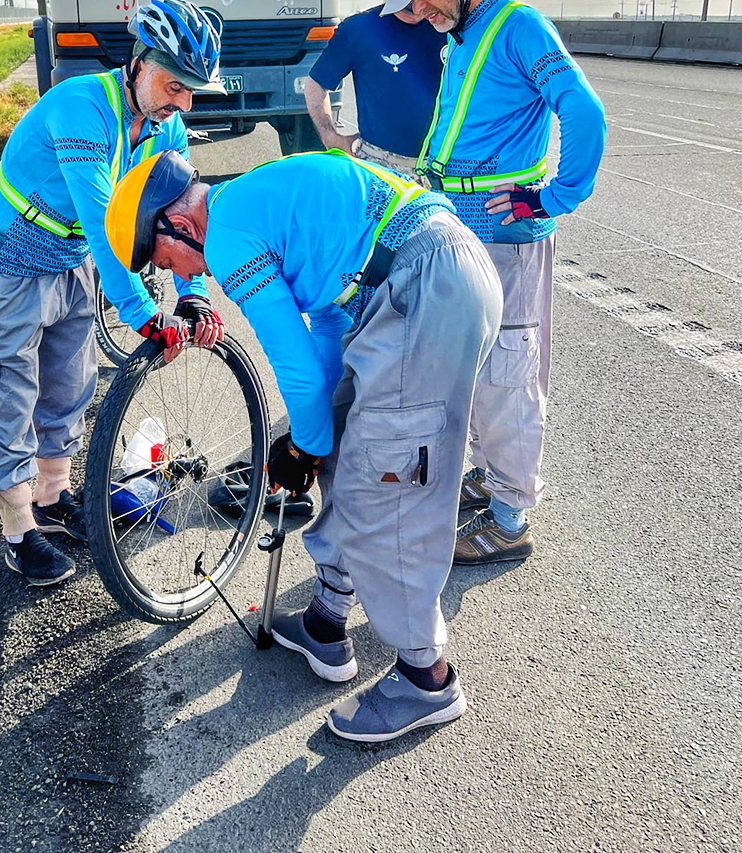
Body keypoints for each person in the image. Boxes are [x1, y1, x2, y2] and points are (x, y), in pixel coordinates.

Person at [105, 147, 503, 743]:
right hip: (429, 277)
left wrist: (300, 445)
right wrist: (315, 440)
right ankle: (326, 619)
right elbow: (332, 326)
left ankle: (428, 679)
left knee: (389, 487)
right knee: (348, 444)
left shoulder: (230, 236)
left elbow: (292, 364)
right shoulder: (255, 202)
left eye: (169, 260)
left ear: (180, 225)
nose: (190, 276)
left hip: (424, 289)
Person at [0, 0, 227, 588]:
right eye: (172, 84)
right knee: (7, 392)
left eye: (190, 92)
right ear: (140, 62)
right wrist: (143, 316)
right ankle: (17, 532)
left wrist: (193, 293)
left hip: (73, 260)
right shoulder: (82, 109)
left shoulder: (169, 126)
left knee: (69, 385)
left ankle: (54, 502)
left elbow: (177, 215)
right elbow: (106, 220)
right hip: (12, 256)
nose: (179, 103)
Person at [377, 0, 607, 564]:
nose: (420, 8)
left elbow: (584, 112)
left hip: (508, 237)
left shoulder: (518, 26)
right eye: (411, 0)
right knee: (475, 366)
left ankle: (509, 515)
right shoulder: (461, 38)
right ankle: (489, 471)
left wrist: (554, 195)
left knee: (507, 375)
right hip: (464, 232)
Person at [303, 0, 447, 176]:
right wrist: (331, 138)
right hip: (382, 167)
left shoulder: (449, 26)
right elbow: (316, 84)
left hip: (445, 168)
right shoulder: (361, 28)